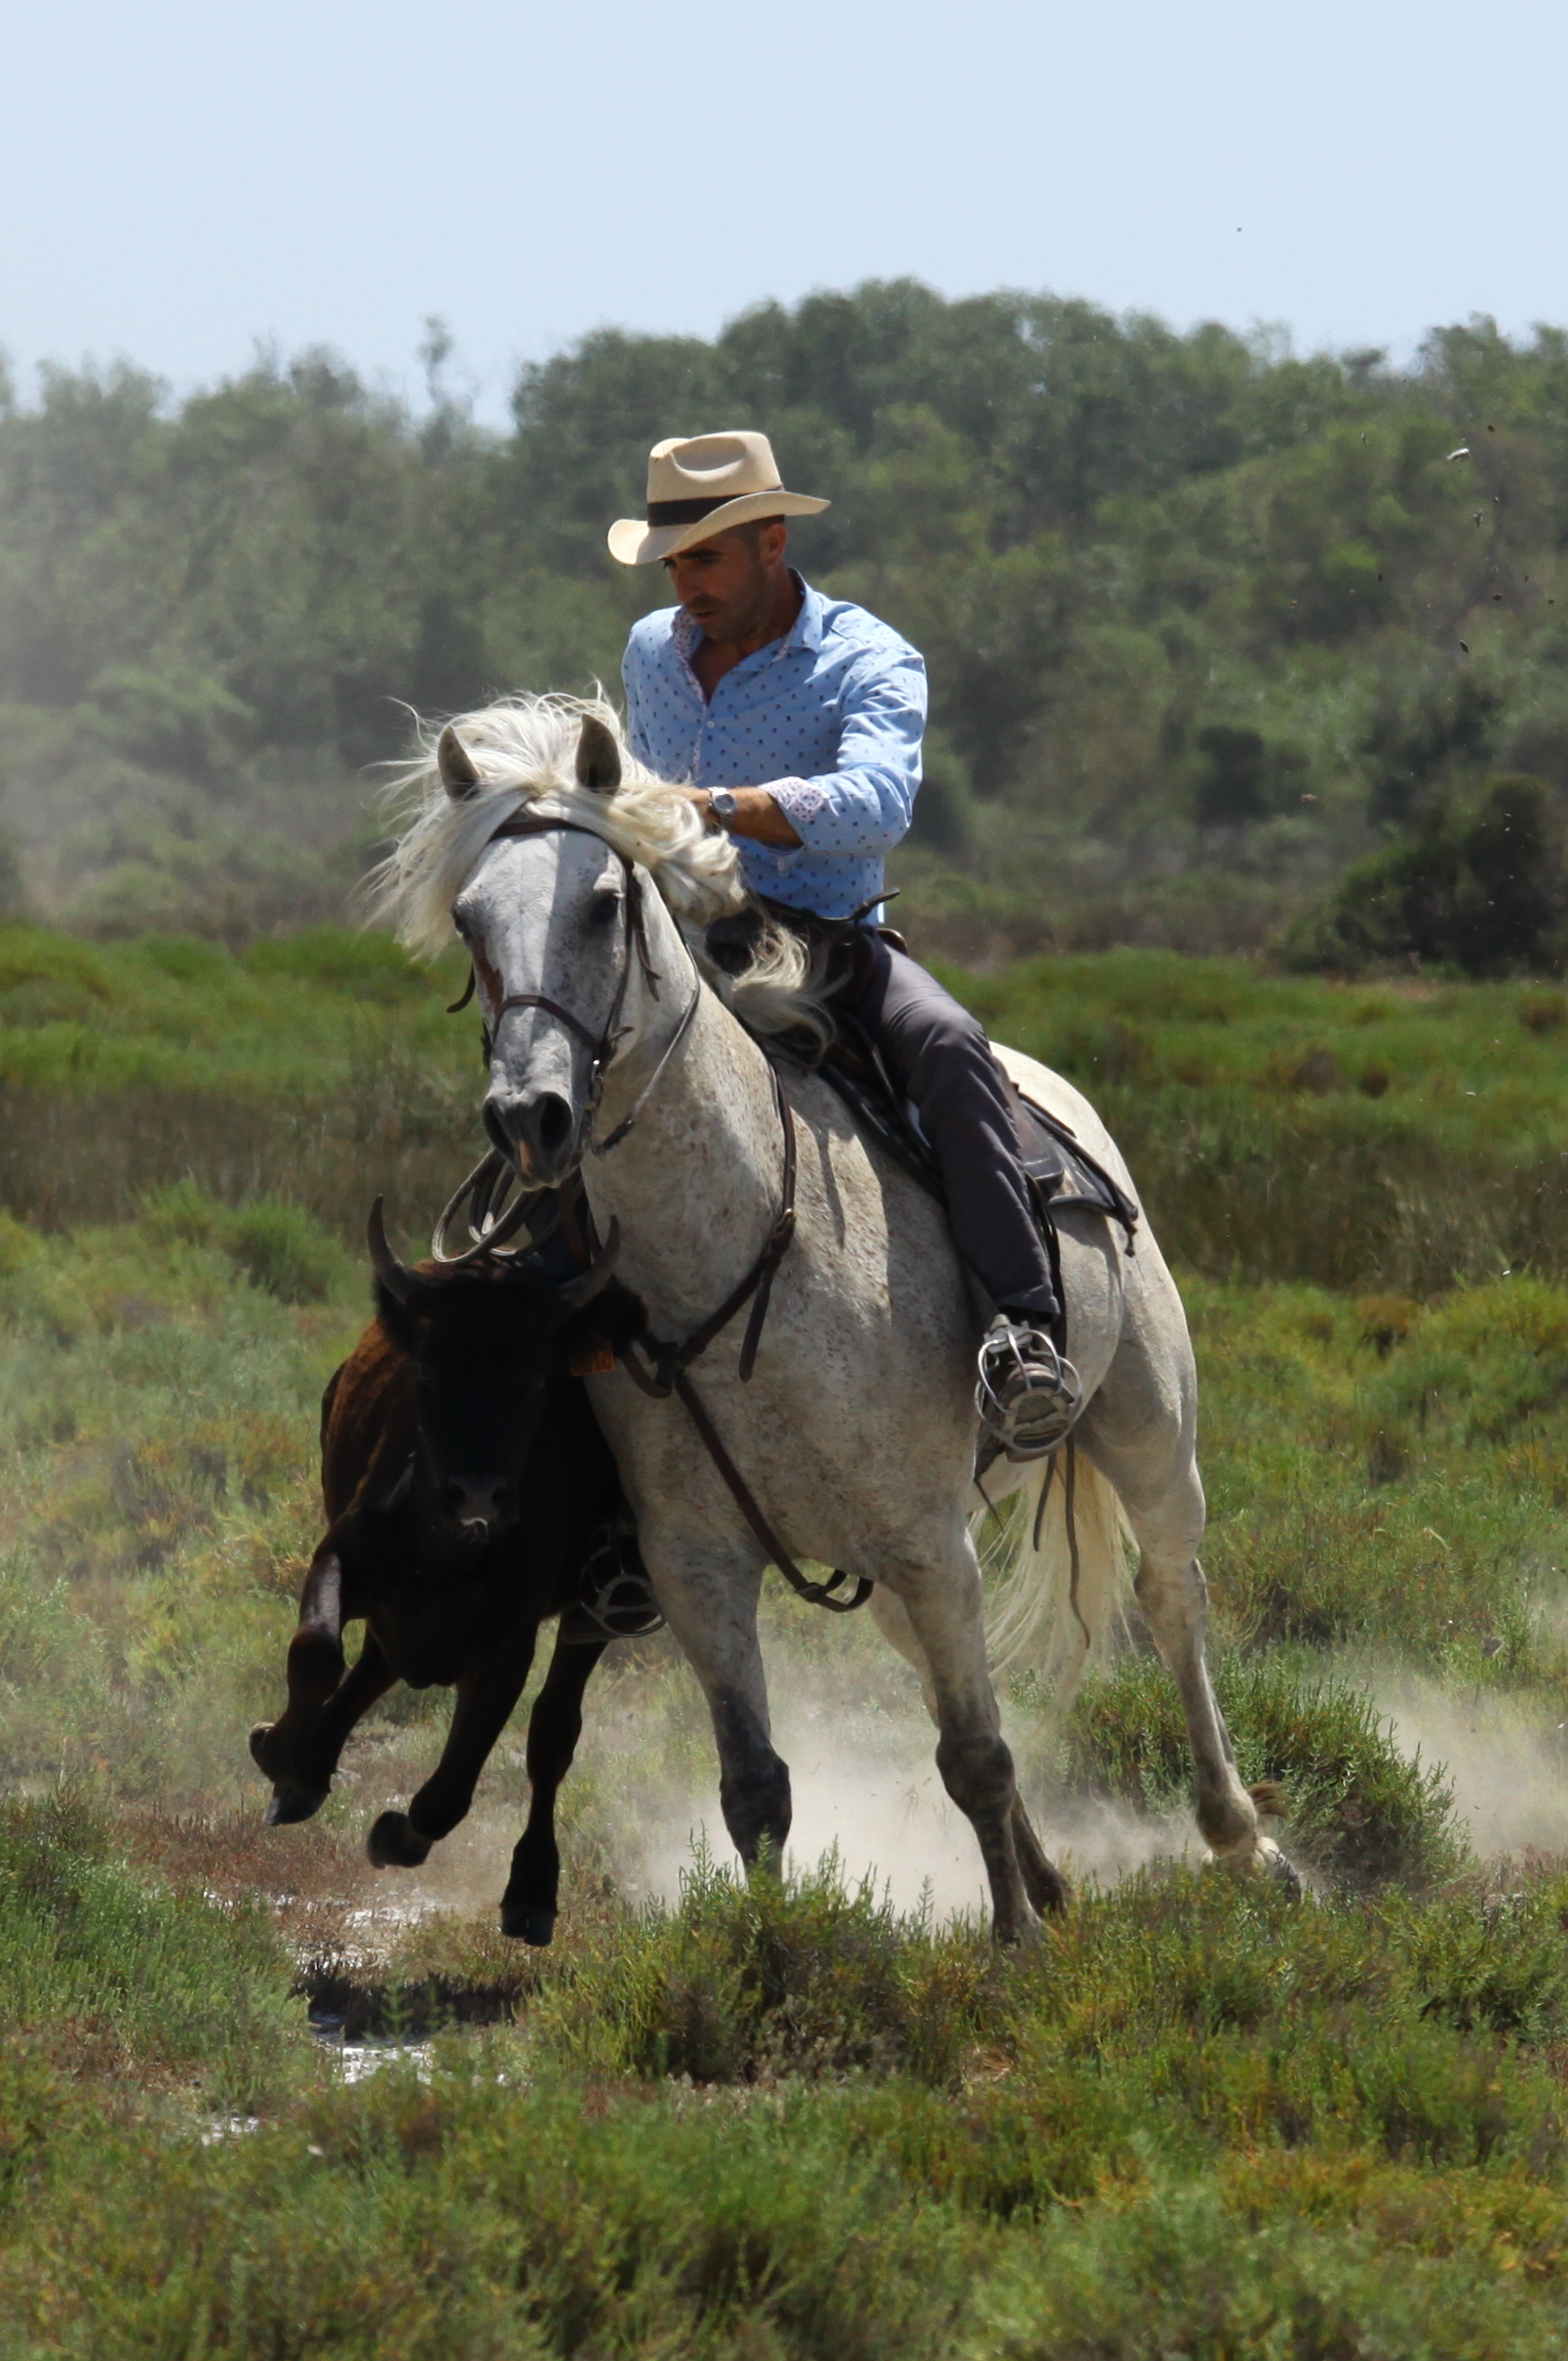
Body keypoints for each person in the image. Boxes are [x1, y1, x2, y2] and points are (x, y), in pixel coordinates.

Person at [610, 430, 1078, 1460]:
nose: (688, 584)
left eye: (708, 558)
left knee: (949, 1045)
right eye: (675, 561)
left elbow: (878, 801)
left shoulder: (866, 656)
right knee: (550, 1058)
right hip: (676, 938)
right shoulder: (654, 650)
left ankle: (1024, 1329)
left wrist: (723, 806)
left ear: (772, 542)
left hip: (822, 943)